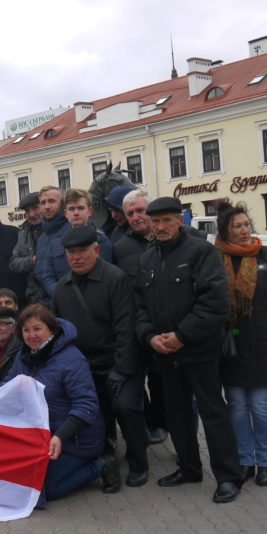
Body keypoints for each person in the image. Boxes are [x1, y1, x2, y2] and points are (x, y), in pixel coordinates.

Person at [135, 196, 242, 503]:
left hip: (200, 350)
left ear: (180, 220)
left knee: (213, 413)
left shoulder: (201, 252)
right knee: (177, 414)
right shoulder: (147, 259)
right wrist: (149, 337)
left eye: (168, 220)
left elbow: (216, 303)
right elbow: (139, 305)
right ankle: (189, 467)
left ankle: (228, 477)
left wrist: (182, 336)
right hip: (165, 353)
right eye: (156, 221)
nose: (161, 226)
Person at [52, 225, 148, 488]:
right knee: (94, 414)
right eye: (71, 252)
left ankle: (139, 461)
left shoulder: (115, 279)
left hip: (121, 360)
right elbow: (60, 332)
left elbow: (125, 329)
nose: (76, 257)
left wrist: (121, 370)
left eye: (82, 250)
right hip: (85, 366)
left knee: (126, 407)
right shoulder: (62, 287)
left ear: (96, 250)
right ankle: (106, 458)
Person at [1, 304, 118, 503]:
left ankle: (100, 465)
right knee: (14, 480)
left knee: (45, 490)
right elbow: (7, 385)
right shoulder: (23, 356)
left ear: (51, 330)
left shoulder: (72, 359)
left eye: (37, 329)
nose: (31, 335)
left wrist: (61, 436)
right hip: (39, 436)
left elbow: (86, 404)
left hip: (74, 440)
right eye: (26, 330)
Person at [214, 199, 267, 487]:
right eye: (236, 226)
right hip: (230, 344)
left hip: (263, 341)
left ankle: (266, 462)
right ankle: (245, 460)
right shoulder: (215, 258)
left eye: (246, 224)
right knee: (237, 405)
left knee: (262, 405)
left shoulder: (265, 256)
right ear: (225, 231)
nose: (244, 230)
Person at [112, 189, 168, 444]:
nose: (136, 217)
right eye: (130, 213)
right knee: (139, 381)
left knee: (164, 384)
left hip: (168, 327)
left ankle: (169, 428)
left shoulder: (173, 239)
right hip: (136, 326)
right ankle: (149, 426)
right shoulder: (121, 248)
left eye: (140, 211)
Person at [33, 186, 70, 306]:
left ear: (63, 204)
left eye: (52, 201)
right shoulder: (42, 237)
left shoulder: (71, 230)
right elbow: (41, 273)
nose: (47, 206)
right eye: (43, 203)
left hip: (67, 300)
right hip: (46, 304)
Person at [9, 192, 44, 305]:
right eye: (27, 211)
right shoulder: (23, 232)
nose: (32, 214)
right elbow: (13, 264)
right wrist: (31, 261)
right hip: (35, 298)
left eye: (35, 208)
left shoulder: (57, 229)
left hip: (58, 294)